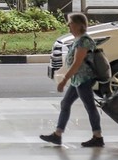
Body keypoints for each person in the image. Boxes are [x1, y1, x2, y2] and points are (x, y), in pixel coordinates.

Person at [40, 13, 104, 147]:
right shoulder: (79, 40)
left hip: (83, 79)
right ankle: (57, 134)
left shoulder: (84, 41)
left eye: (71, 23)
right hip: (78, 79)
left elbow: (77, 63)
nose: (68, 26)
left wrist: (64, 80)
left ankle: (97, 136)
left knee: (90, 106)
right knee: (66, 103)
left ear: (80, 25)